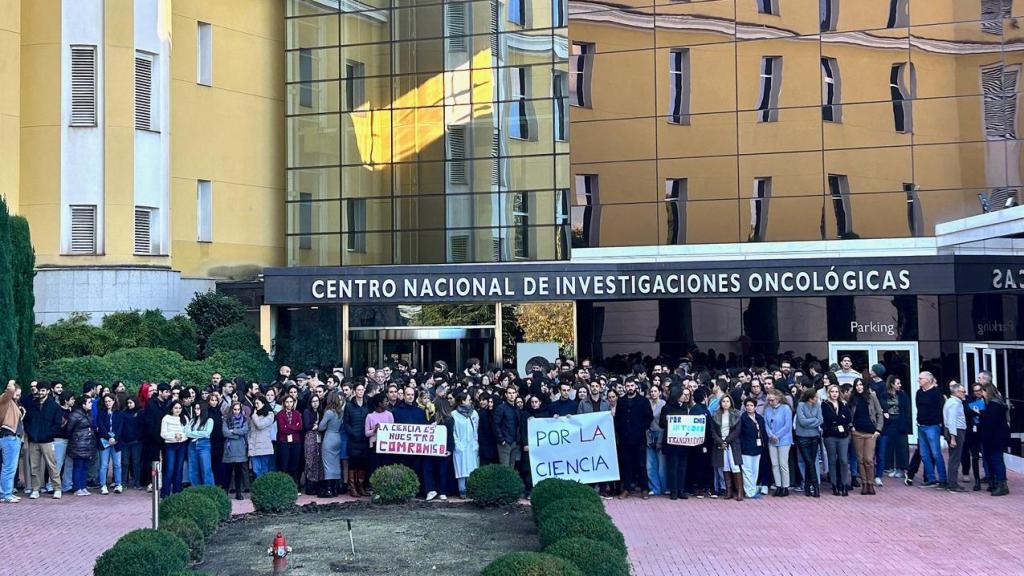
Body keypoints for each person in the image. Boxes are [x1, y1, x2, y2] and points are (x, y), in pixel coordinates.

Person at [22, 381, 63, 499]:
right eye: (39, 390)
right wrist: (30, 433)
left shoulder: (54, 406)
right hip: (34, 440)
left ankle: (57, 488)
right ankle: (35, 489)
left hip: (48, 441)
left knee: (52, 465)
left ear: (48, 391)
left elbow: (57, 423)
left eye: (43, 390)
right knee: (34, 466)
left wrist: (49, 434)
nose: (40, 392)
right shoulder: (32, 405)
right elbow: (27, 421)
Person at [615, 377, 654, 499]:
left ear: (635, 386)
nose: (630, 388)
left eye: (632, 386)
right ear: (625, 387)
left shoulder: (643, 401)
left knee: (641, 464)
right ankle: (626, 489)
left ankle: (644, 489)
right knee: (627, 464)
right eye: (628, 386)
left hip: (639, 438)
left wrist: (641, 428)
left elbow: (649, 417)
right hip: (625, 438)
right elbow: (618, 418)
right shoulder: (621, 401)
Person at [849, 379, 883, 495]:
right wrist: (851, 427)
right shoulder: (852, 398)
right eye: (857, 385)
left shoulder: (871, 396)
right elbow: (849, 414)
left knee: (869, 459)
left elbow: (879, 412)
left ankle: (870, 483)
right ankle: (864, 484)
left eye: (860, 385)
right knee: (860, 459)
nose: (859, 387)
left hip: (870, 433)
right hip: (857, 432)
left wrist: (878, 429)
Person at [915, 372, 947, 487]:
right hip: (921, 426)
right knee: (924, 454)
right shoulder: (919, 392)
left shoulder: (936, 393)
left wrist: (939, 423)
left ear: (928, 380)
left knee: (936, 453)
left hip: (932, 426)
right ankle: (930, 478)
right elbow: (918, 406)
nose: (918, 380)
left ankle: (943, 479)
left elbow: (941, 409)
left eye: (920, 378)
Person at [979, 383, 1010, 496]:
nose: (982, 394)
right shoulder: (997, 404)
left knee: (996, 460)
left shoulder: (993, 406)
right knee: (994, 460)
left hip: (994, 438)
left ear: (988, 392)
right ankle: (996, 482)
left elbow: (990, 423)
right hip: (995, 438)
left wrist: (981, 414)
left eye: (983, 391)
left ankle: (1001, 484)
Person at [659, 387, 690, 500]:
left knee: (682, 467)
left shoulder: (686, 407)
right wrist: (667, 420)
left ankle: (681, 490)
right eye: (682, 394)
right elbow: (661, 424)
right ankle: (673, 490)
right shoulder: (667, 408)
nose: (685, 396)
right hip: (671, 443)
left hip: (683, 442)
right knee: (673, 467)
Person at [821, 384, 852, 496]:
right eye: (832, 392)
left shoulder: (843, 404)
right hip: (830, 435)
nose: (834, 394)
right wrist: (840, 419)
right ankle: (834, 484)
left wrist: (838, 420)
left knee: (843, 460)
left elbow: (848, 418)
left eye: (836, 392)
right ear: (829, 393)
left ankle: (843, 483)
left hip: (843, 436)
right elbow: (829, 418)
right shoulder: (825, 404)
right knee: (832, 460)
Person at [424, 396, 455, 501]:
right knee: (430, 468)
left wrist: (450, 449)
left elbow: (450, 436)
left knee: (443, 470)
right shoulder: (433, 418)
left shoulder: (449, 420)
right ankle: (432, 490)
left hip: (444, 449)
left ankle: (442, 491)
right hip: (433, 449)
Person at [763, 389, 793, 497]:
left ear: (778, 398)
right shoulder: (767, 410)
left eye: (772, 400)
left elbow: (787, 425)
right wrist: (770, 434)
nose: (770, 402)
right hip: (771, 440)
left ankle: (785, 486)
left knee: (783, 464)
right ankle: (778, 485)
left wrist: (777, 435)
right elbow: (765, 423)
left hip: (784, 439)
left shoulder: (786, 408)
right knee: (774, 464)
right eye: (769, 400)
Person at [66, 395, 97, 497]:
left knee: (85, 467)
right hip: (78, 444)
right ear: (83, 404)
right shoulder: (75, 415)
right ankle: (77, 487)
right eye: (89, 402)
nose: (91, 404)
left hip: (88, 444)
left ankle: (83, 486)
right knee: (78, 466)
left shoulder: (89, 413)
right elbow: (69, 430)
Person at [794, 388, 823, 497]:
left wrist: (810, 421)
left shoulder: (818, 406)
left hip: (814, 437)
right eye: (815, 397)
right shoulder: (801, 405)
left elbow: (820, 419)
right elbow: (802, 421)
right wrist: (814, 420)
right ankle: (815, 487)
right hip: (802, 437)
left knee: (809, 462)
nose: (817, 399)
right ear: (810, 398)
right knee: (809, 462)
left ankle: (807, 487)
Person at [344, 382, 370, 497]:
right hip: (354, 439)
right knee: (353, 463)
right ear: (354, 391)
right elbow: (346, 423)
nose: (361, 392)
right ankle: (352, 487)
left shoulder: (367, 404)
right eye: (358, 390)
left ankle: (361, 486)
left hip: (364, 438)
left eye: (362, 389)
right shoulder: (349, 405)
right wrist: (352, 433)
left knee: (363, 463)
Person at [739, 398, 769, 499]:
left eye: (751, 405)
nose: (749, 407)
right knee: (747, 470)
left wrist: (764, 445)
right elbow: (740, 434)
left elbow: (763, 432)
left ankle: (752, 488)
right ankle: (749, 491)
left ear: (755, 407)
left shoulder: (759, 418)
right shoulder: (742, 418)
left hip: (758, 448)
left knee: (755, 470)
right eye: (747, 405)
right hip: (746, 448)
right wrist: (742, 446)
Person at [451, 391, 479, 498]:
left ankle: (472, 490)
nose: (470, 401)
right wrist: (457, 444)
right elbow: (453, 432)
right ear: (462, 401)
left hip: (471, 445)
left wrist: (476, 443)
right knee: (461, 468)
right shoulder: (454, 414)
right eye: (468, 399)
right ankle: (462, 490)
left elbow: (475, 429)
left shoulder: (474, 413)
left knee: (472, 468)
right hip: (460, 445)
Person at [95, 394, 124, 495]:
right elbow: (101, 426)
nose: (108, 403)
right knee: (103, 465)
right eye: (106, 401)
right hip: (104, 441)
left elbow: (120, 427)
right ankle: (103, 485)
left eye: (110, 401)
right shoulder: (101, 413)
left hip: (116, 442)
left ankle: (118, 484)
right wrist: (109, 437)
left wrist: (115, 438)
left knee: (117, 464)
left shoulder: (119, 413)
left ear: (114, 401)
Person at [1, 381, 24, 503]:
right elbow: (9, 391)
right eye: (16, 393)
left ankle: (5, 492)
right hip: (10, 436)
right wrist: (11, 382)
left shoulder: (12, 403)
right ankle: (6, 494)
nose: (17, 395)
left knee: (9, 467)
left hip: (13, 437)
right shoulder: (5, 400)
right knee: (9, 467)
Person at [943, 382, 968, 493]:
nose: (965, 394)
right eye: (963, 391)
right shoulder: (954, 403)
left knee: (954, 457)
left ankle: (952, 482)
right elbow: (952, 420)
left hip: (954, 431)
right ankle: (952, 483)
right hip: (956, 432)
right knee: (955, 458)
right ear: (957, 392)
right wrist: (953, 437)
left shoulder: (952, 401)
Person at [222, 402, 250, 500]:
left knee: (238, 472)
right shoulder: (226, 419)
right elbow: (225, 432)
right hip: (230, 449)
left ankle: (238, 492)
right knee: (228, 472)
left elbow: (245, 430)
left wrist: (233, 431)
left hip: (240, 448)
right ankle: (225, 492)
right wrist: (238, 434)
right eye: (235, 409)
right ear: (231, 410)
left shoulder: (245, 419)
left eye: (238, 409)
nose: (236, 411)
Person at [160, 400, 188, 496]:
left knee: (179, 468)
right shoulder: (166, 418)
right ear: (171, 408)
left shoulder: (184, 418)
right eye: (176, 408)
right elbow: (163, 433)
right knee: (170, 468)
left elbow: (187, 432)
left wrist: (181, 437)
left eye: (180, 408)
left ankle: (177, 491)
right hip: (170, 445)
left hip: (182, 445)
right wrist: (174, 436)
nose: (178, 410)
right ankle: (165, 493)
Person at [319, 391, 345, 497]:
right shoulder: (340, 412)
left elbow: (321, 426)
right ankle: (335, 488)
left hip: (329, 437)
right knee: (336, 463)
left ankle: (328, 489)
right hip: (338, 437)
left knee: (327, 463)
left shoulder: (329, 412)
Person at [365, 393, 395, 479]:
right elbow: (366, 433)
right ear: (379, 404)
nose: (387, 403)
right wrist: (374, 430)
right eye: (385, 401)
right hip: (374, 446)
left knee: (385, 467)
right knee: (374, 467)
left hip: (387, 446)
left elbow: (393, 430)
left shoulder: (389, 415)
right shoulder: (370, 416)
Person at [276, 395, 304, 486]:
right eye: (287, 402)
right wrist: (293, 427)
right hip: (283, 442)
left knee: (294, 464)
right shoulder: (280, 414)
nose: (289, 404)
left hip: (295, 442)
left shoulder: (297, 413)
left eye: (291, 402)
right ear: (284, 403)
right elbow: (281, 429)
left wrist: (287, 426)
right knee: (284, 464)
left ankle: (294, 485)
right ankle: (284, 486)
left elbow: (299, 427)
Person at [186, 402, 215, 487]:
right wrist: (198, 433)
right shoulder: (192, 420)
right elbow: (187, 433)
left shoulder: (209, 420)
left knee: (206, 469)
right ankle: (196, 491)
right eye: (195, 408)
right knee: (193, 470)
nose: (196, 410)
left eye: (198, 408)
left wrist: (193, 433)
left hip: (204, 445)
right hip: (192, 445)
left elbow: (207, 433)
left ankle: (209, 491)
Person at [963, 383, 986, 491]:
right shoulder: (969, 399)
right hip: (973, 432)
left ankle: (991, 478)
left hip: (985, 432)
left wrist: (977, 409)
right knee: (975, 457)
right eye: (975, 391)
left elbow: (986, 412)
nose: (978, 392)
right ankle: (977, 481)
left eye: (979, 390)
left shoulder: (987, 399)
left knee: (987, 456)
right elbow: (966, 410)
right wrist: (976, 408)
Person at [646, 384, 667, 496]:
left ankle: (664, 488)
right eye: (651, 391)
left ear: (659, 392)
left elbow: (664, 424)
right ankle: (654, 488)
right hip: (649, 434)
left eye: (655, 391)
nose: (653, 393)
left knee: (661, 466)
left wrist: (660, 440)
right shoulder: (647, 404)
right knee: (650, 465)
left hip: (660, 434)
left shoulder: (663, 404)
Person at [119, 397, 144, 490]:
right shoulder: (123, 413)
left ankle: (137, 482)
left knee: (136, 462)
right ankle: (123, 482)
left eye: (131, 403)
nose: (129, 405)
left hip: (137, 442)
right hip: (125, 441)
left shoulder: (140, 412)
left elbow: (142, 426)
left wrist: (139, 438)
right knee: (125, 462)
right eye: (128, 403)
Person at [248, 396, 276, 479]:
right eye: (255, 403)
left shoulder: (270, 415)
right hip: (253, 446)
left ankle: (264, 487)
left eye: (258, 403)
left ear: (263, 404)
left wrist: (254, 415)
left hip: (264, 446)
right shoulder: (253, 416)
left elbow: (260, 425)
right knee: (256, 470)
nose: (256, 405)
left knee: (264, 469)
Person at [493, 385, 521, 468]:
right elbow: (495, 424)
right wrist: (501, 440)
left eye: (513, 393)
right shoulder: (501, 408)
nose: (511, 395)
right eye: (509, 393)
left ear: (516, 394)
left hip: (515, 442)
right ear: (506, 394)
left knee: (512, 467)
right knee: (505, 468)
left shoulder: (517, 408)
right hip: (505, 442)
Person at [302, 393, 324, 496]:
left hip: (319, 437)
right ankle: (309, 485)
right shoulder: (307, 412)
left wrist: (317, 426)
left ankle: (318, 484)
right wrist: (316, 426)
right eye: (313, 401)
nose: (315, 403)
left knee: (318, 461)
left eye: (317, 401)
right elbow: (307, 425)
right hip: (310, 437)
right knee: (310, 460)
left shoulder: (321, 412)